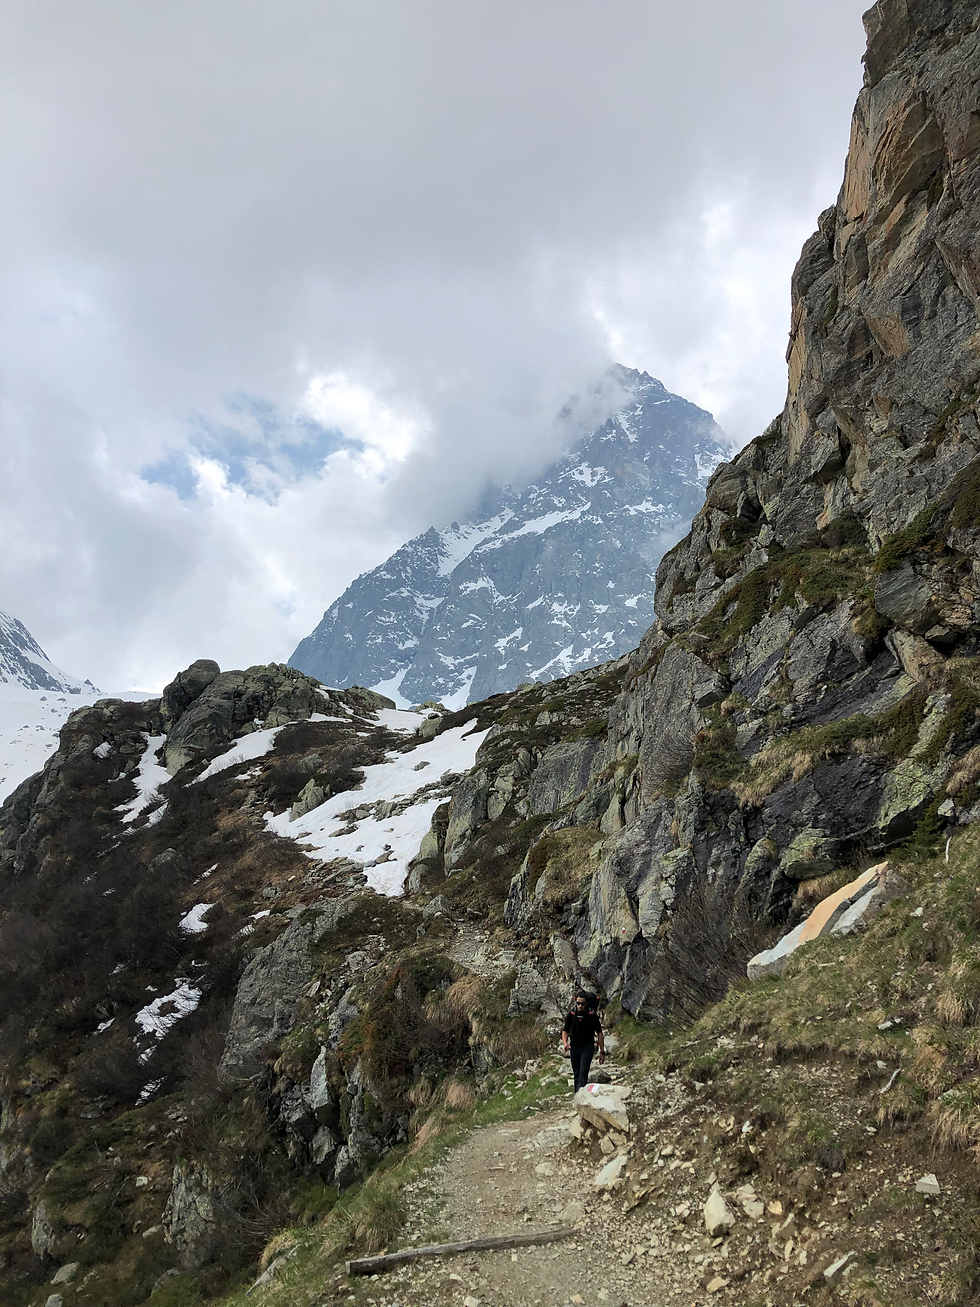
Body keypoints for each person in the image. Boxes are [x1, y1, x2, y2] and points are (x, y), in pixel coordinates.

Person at [562, 989, 605, 1091]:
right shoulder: (571, 1014)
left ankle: (580, 1095)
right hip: (574, 1046)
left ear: (586, 1003)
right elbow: (565, 1030)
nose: (580, 1006)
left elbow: (599, 1033)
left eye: (582, 1003)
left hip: (587, 1046)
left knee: (583, 1071)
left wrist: (602, 1052)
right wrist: (565, 1043)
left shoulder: (592, 1016)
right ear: (575, 1002)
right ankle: (578, 1095)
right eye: (578, 1003)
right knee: (576, 1072)